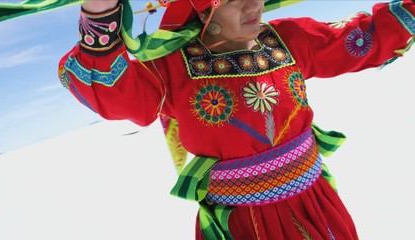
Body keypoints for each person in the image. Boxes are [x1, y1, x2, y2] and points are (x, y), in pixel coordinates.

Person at [58, 0, 415, 239]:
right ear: (204, 12)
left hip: (315, 202)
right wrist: (100, 11)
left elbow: (364, 39)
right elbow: (112, 90)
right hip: (243, 222)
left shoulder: (288, 39)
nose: (254, 4)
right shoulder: (169, 69)